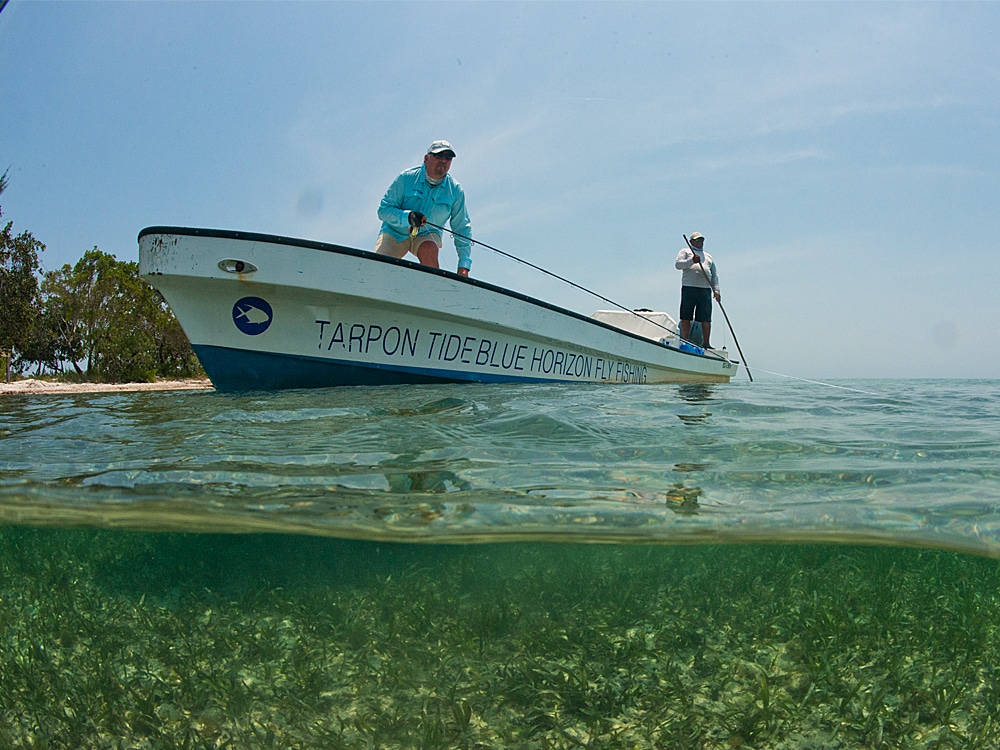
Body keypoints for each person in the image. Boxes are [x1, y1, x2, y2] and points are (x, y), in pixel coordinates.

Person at [375, 140, 473, 277]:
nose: (443, 160)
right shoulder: (406, 178)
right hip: (394, 232)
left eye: (448, 157)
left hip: (426, 236)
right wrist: (407, 217)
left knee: (430, 250)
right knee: (378, 268)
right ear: (426, 158)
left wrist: (464, 265)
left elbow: (461, 228)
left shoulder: (456, 190)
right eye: (438, 155)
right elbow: (383, 210)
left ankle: (434, 292)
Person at [674, 231, 721, 349]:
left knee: (705, 317)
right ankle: (685, 340)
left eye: (702, 240)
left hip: (705, 289)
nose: (700, 242)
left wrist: (716, 290)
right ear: (692, 242)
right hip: (689, 287)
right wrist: (691, 261)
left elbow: (714, 275)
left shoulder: (708, 256)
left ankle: (706, 343)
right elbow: (678, 265)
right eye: (698, 240)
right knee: (686, 315)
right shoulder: (685, 251)